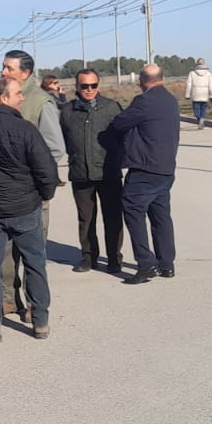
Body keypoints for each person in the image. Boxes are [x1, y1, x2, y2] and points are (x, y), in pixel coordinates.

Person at [0, 76, 58, 341]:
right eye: (18, 93)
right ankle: (40, 322)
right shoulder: (25, 129)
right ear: (3, 98)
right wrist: (42, 196)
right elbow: (46, 169)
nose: (22, 97)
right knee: (35, 264)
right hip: (25, 207)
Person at [0, 50, 66, 321]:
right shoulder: (2, 98)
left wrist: (33, 175)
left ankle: (32, 304)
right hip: (3, 190)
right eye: (3, 67)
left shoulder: (40, 102)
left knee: (31, 250)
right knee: (4, 250)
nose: (3, 72)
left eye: (8, 68)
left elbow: (55, 148)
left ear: (25, 73)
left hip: (31, 191)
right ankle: (7, 299)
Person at [111, 64, 181, 284]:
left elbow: (119, 123)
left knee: (133, 212)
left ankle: (146, 263)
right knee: (161, 216)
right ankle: (166, 264)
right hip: (166, 169)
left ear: (142, 80)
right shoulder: (170, 99)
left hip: (145, 169)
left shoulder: (144, 101)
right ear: (161, 78)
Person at [60, 68, 125, 274]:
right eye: (84, 86)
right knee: (86, 218)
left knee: (113, 217)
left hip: (108, 173)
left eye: (93, 85)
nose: (89, 90)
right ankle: (88, 256)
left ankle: (114, 257)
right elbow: (61, 139)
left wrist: (117, 160)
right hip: (81, 173)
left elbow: (123, 138)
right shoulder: (67, 111)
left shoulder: (111, 108)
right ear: (76, 86)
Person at [185, 58, 212, 128]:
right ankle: (202, 119)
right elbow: (211, 85)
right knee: (203, 109)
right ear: (204, 64)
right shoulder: (208, 74)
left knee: (196, 109)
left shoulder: (192, 73)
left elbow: (189, 84)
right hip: (205, 93)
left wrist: (187, 95)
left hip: (196, 93)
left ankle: (199, 119)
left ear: (197, 63)